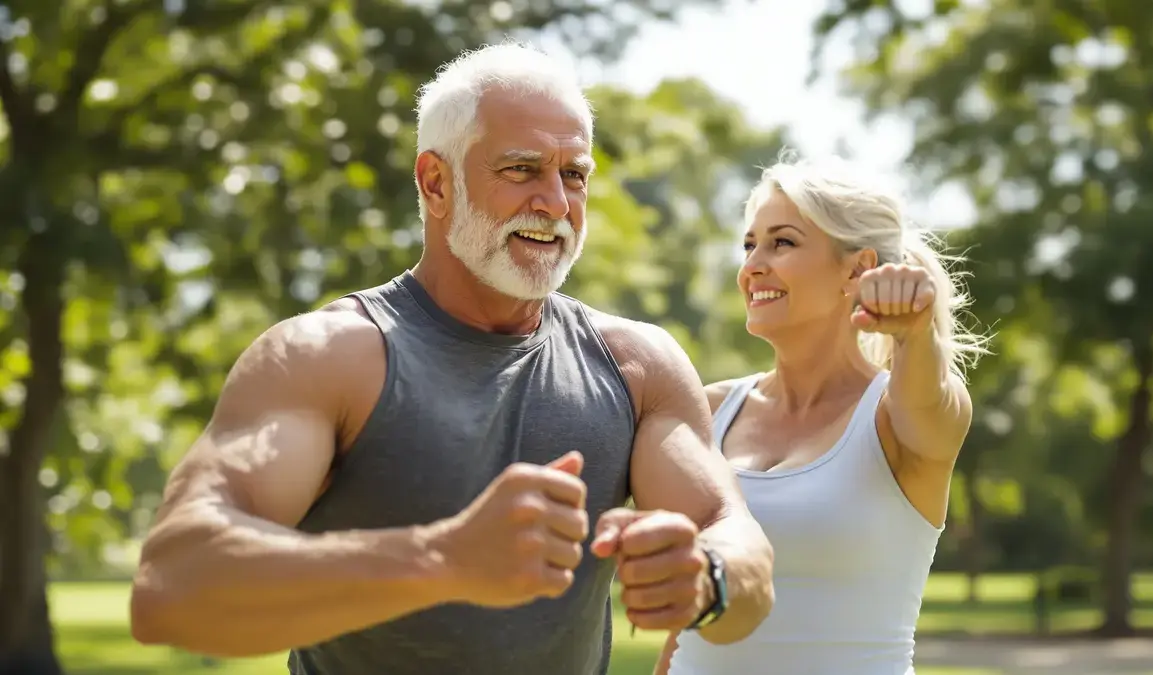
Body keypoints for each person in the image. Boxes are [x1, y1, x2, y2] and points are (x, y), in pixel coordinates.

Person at [128, 42, 774, 675]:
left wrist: (708, 578)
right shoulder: (328, 356)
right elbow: (172, 588)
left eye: (573, 174)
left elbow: (736, 541)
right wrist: (442, 558)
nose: (555, 202)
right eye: (521, 169)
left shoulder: (638, 364)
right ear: (436, 182)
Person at [655, 156, 989, 675]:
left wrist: (913, 333)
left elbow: (926, 400)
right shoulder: (708, 410)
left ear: (857, 269)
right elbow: (688, 621)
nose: (752, 266)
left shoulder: (896, 417)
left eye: (781, 242)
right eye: (749, 245)